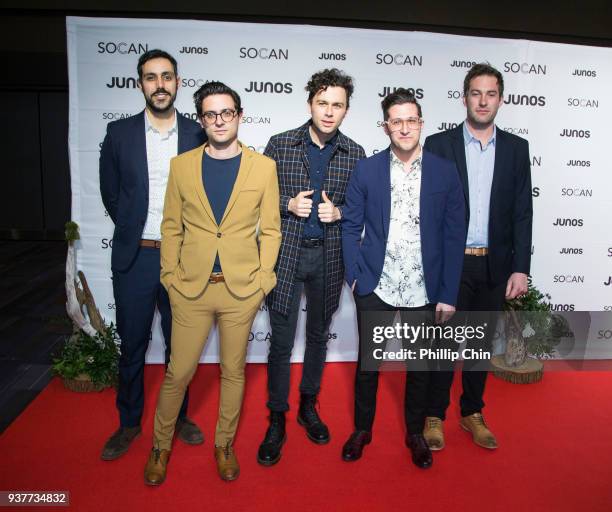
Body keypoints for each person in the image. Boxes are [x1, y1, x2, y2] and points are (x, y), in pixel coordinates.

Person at [143, 81, 281, 484]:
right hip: (191, 289)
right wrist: (170, 276)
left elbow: (271, 230)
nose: (219, 120)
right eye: (210, 114)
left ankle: (224, 445)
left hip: (241, 289)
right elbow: (171, 226)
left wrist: (262, 281)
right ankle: (160, 446)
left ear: (239, 115)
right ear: (201, 119)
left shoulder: (263, 167)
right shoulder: (181, 165)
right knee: (178, 372)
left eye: (227, 113)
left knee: (233, 371)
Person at [341, 88, 465, 468]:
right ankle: (362, 429)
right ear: (386, 127)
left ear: (422, 124)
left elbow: (453, 234)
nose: (405, 127)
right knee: (368, 363)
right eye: (397, 121)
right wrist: (355, 277)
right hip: (376, 284)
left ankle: (415, 433)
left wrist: (447, 292)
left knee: (421, 367)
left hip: (424, 289)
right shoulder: (367, 168)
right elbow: (350, 225)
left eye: (411, 119)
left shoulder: (445, 170)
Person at [99, 49, 205, 461]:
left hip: (183, 259)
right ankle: (128, 423)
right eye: (150, 77)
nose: (159, 84)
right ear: (140, 83)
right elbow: (113, 194)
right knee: (133, 345)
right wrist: (134, 228)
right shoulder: (119, 133)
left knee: (181, 345)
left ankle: (179, 417)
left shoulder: (198, 133)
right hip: (136, 257)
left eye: (166, 77)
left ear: (178, 82)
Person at [257, 69, 365, 466]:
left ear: (346, 110)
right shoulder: (280, 144)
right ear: (309, 105)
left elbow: (363, 208)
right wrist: (287, 203)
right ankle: (276, 417)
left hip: (329, 255)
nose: (329, 111)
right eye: (323, 103)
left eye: (337, 105)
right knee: (281, 342)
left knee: (319, 336)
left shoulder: (355, 153)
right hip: (286, 253)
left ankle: (307, 405)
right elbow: (256, 199)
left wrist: (340, 211)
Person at [423, 63, 532, 451]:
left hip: (494, 265)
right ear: (464, 97)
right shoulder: (439, 145)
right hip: (452, 265)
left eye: (490, 94)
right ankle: (433, 414)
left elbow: (522, 211)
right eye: (475, 93)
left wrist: (521, 267)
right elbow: (428, 212)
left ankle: (472, 412)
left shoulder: (518, 149)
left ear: (500, 99)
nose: (483, 101)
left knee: (480, 344)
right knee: (443, 342)